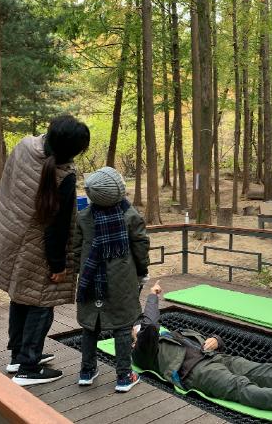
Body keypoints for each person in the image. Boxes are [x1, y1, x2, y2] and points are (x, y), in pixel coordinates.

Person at [131, 281, 272, 413]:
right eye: (136, 330)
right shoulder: (142, 353)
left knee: (267, 371)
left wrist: (216, 340)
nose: (139, 328)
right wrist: (152, 297)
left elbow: (214, 341)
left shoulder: (177, 334)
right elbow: (150, 326)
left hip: (218, 358)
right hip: (195, 372)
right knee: (239, 386)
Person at [0, 115, 90, 386]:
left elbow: (7, 189)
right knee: (41, 304)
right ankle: (28, 366)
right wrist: (58, 265)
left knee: (20, 297)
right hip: (37, 249)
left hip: (10, 237)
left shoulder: (25, 146)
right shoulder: (64, 176)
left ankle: (18, 356)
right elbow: (57, 228)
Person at [73, 167, 150, 393]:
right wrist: (142, 271)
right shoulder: (130, 215)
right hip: (121, 280)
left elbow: (76, 248)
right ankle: (124, 376)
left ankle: (87, 371)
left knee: (90, 325)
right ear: (118, 192)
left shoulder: (84, 216)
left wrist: (81, 270)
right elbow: (140, 247)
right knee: (123, 326)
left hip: (90, 278)